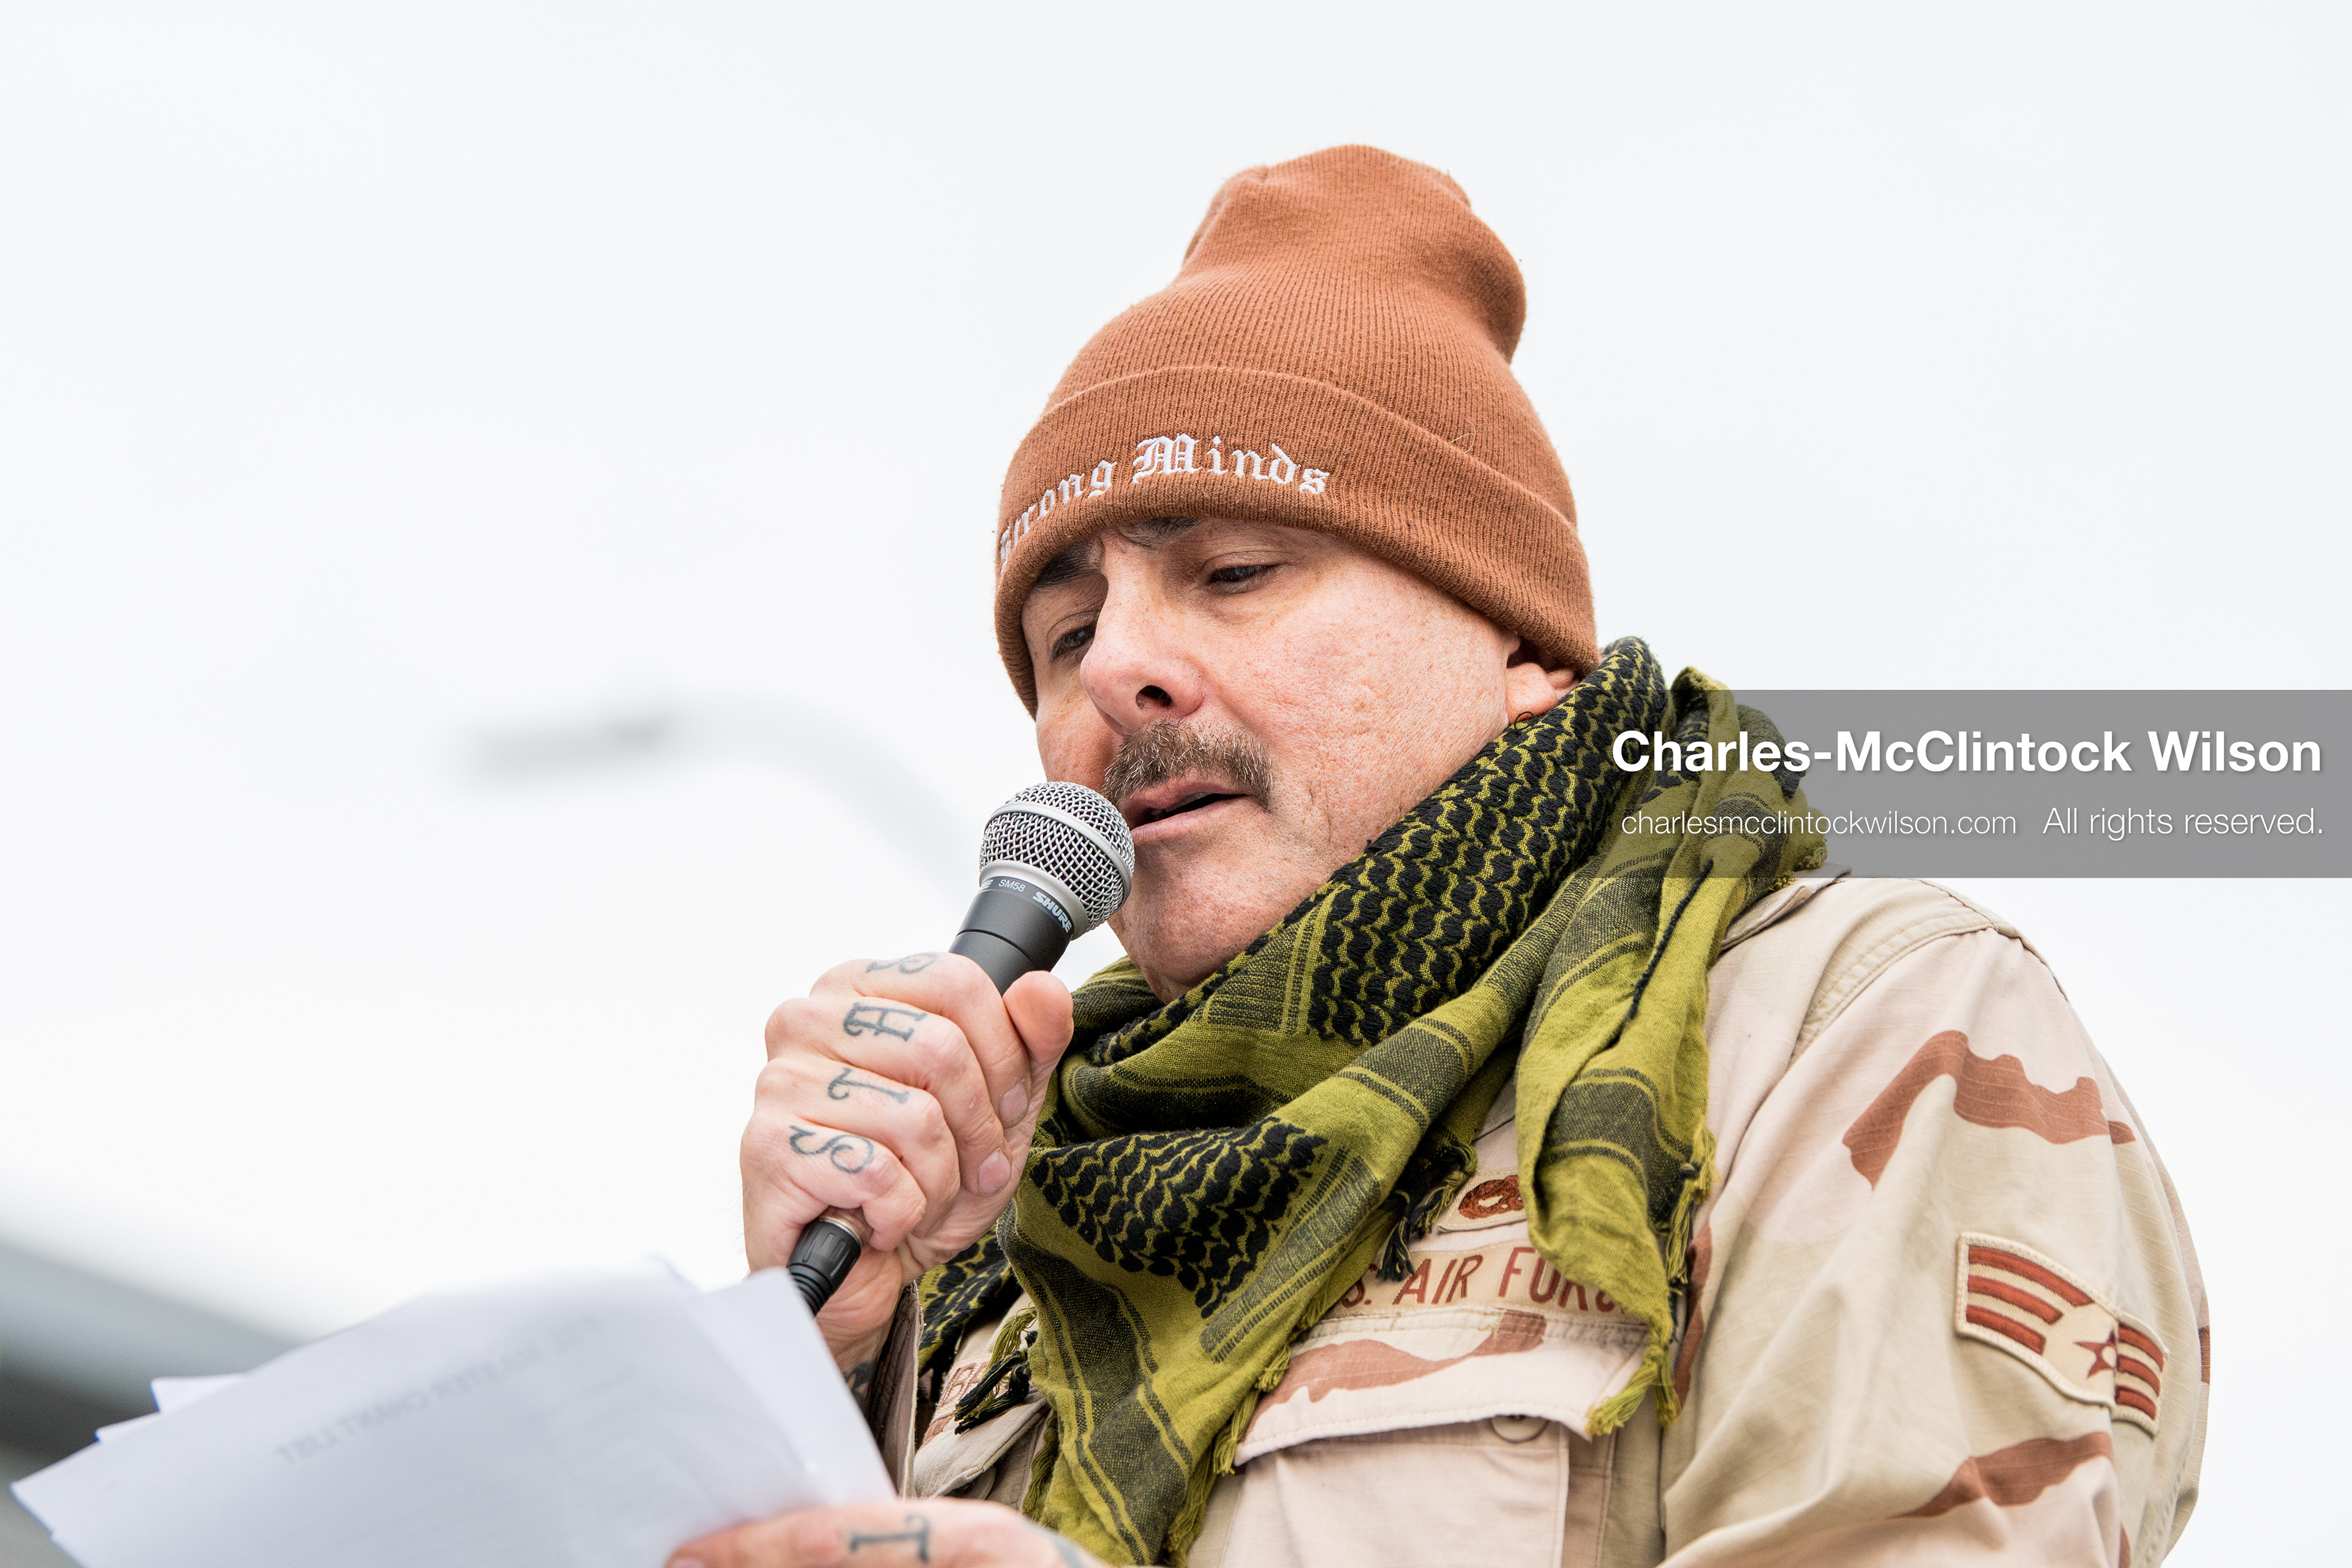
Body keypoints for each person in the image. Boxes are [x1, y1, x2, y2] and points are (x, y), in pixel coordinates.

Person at [669, 146, 2208, 1568]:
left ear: (1523, 647)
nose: (1121, 666)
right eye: (1067, 633)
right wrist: (831, 1367)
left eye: (1237, 572)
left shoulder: (1841, 1028)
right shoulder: (994, 1232)